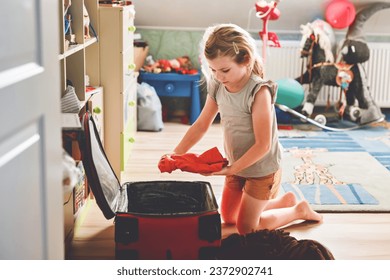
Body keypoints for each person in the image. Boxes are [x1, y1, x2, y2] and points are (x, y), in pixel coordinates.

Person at [161, 23, 322, 235]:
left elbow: (263, 145)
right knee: (228, 217)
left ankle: (297, 210)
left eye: (225, 70)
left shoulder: (259, 92)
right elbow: (201, 124)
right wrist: (176, 153)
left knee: (246, 228)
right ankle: (284, 201)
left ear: (245, 60)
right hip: (236, 163)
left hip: (261, 168)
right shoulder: (218, 84)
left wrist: (231, 169)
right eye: (213, 70)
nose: (218, 76)